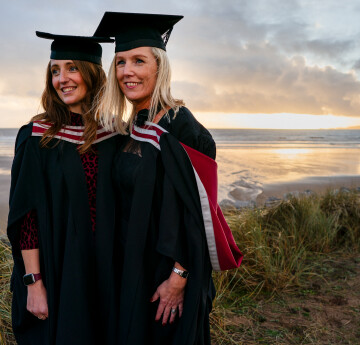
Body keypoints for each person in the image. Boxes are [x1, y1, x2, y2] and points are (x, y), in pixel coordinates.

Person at [94, 12, 242, 345]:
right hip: (134, 266)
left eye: (138, 61)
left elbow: (198, 217)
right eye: (120, 63)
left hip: (167, 275)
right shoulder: (135, 126)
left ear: (159, 67)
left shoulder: (184, 131)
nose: (127, 72)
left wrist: (179, 278)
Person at [7, 31, 120, 345]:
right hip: (57, 267)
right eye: (55, 70)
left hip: (105, 268)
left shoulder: (115, 135)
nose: (62, 78)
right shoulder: (37, 137)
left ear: (92, 75)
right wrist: (34, 284)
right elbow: (26, 216)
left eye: (72, 68)